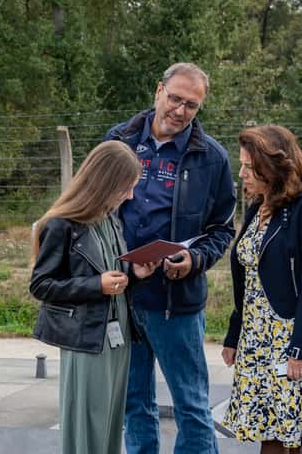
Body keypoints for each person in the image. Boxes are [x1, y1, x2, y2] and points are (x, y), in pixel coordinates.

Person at [105, 62, 236, 454]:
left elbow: (222, 230)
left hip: (175, 304)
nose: (180, 110)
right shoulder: (119, 141)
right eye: (175, 98)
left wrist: (194, 260)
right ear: (158, 91)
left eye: (191, 105)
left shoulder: (211, 158)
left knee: (192, 406)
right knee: (134, 405)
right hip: (124, 297)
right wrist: (118, 266)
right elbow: (96, 209)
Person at [30, 140, 160, 454]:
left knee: (111, 423)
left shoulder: (109, 219)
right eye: (126, 188)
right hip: (87, 340)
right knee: (87, 424)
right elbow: (41, 285)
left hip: (118, 339)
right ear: (105, 183)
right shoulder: (61, 226)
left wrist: (135, 276)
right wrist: (94, 286)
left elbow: (113, 276)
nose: (130, 196)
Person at [221, 124, 302, 454]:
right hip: (256, 339)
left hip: (292, 335)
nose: (242, 173)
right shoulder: (257, 208)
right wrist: (235, 334)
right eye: (242, 165)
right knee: (269, 430)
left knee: (301, 435)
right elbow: (248, 278)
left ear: (271, 165)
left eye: (249, 166)